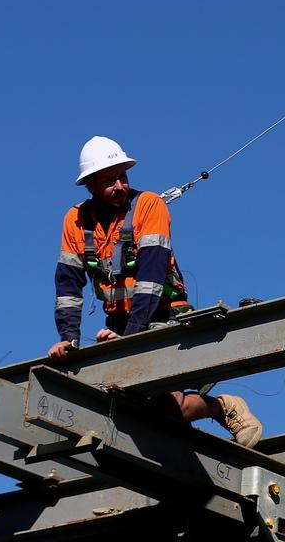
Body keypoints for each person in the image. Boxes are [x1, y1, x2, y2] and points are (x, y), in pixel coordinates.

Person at [48, 136, 263, 447]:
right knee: (147, 409)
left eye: (122, 176)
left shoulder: (149, 205)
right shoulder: (76, 221)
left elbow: (150, 280)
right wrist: (68, 340)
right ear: (91, 185)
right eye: (109, 180)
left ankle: (224, 408)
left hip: (164, 315)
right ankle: (217, 412)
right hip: (120, 326)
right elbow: (68, 286)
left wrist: (132, 339)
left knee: (158, 397)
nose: (120, 185)